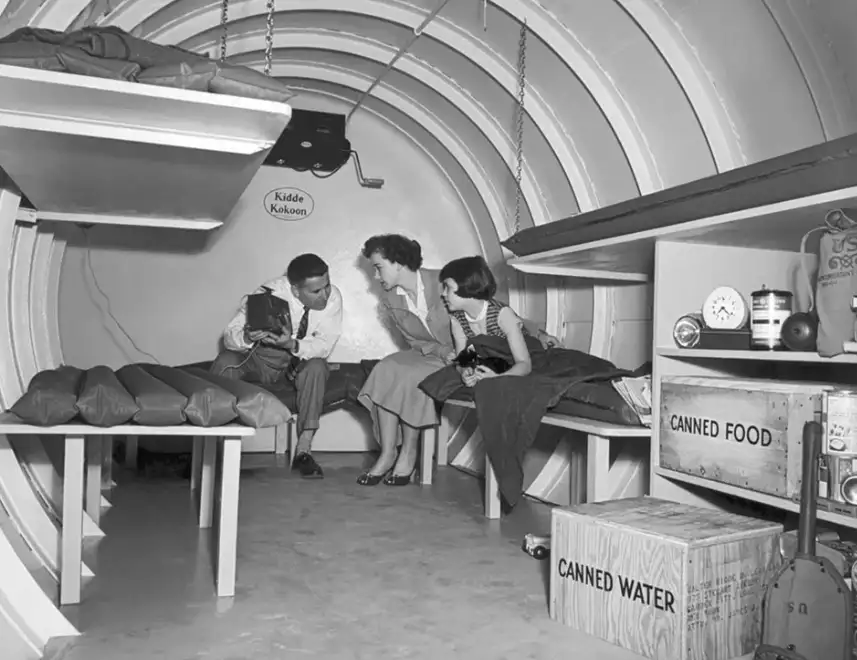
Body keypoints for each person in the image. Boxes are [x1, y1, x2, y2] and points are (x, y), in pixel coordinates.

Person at [210, 253, 343, 478]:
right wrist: (248, 336)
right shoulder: (266, 293)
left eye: (327, 286)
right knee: (226, 362)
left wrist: (291, 343)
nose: (325, 295)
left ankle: (303, 452)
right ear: (295, 291)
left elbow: (324, 345)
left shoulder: (333, 299)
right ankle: (212, 452)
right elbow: (229, 338)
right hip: (259, 360)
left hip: (295, 363)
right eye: (316, 291)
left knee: (318, 367)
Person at [356, 234, 454, 486]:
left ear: (398, 263)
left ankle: (408, 452)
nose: (376, 277)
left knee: (409, 376)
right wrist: (440, 352)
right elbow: (415, 341)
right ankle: (388, 453)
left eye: (379, 268)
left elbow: (488, 312)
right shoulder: (391, 299)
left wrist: (536, 334)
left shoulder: (445, 281)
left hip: (465, 354)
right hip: (434, 354)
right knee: (385, 368)